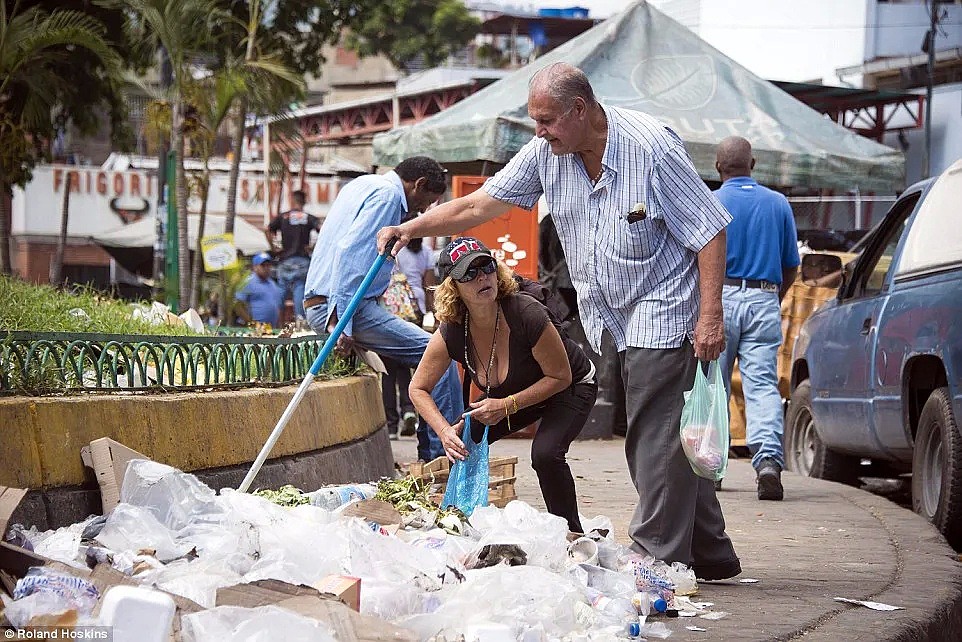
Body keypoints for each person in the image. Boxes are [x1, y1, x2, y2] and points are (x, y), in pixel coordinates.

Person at [377, 62, 741, 579]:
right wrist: (409, 227)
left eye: (546, 120)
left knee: (652, 433)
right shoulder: (547, 155)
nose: (539, 131)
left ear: (581, 110)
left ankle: (657, 555)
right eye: (534, 121)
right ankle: (711, 551)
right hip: (610, 313)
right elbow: (479, 205)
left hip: (666, 304)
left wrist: (710, 316)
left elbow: (708, 229)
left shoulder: (652, 148)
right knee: (667, 434)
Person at [410, 237, 597, 533]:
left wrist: (507, 405)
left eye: (486, 267)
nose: (482, 277)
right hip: (523, 391)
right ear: (453, 289)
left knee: (545, 454)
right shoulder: (453, 330)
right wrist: (445, 432)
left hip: (570, 384)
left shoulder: (526, 313)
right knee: (465, 438)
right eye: (469, 274)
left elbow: (560, 376)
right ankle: (460, 521)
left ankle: (572, 535)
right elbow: (417, 388)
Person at [303, 156, 457, 461]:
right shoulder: (388, 197)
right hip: (342, 307)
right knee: (440, 356)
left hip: (336, 302)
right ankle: (442, 457)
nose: (423, 212)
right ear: (419, 185)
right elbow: (348, 254)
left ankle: (434, 452)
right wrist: (340, 324)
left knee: (433, 355)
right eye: (427, 201)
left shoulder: (365, 183)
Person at [713, 136, 800, 501]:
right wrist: (770, 295)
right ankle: (767, 463)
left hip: (717, 299)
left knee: (711, 384)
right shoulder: (778, 203)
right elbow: (792, 265)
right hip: (764, 298)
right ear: (754, 163)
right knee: (761, 385)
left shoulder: (710, 202)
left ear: (717, 168)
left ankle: (710, 467)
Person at [381, 236, 437, 454]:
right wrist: (433, 313)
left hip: (391, 311)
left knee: (388, 369)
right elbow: (429, 284)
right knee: (407, 362)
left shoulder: (394, 248)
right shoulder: (426, 253)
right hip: (415, 310)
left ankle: (392, 423)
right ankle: (407, 409)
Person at [266, 189, 321, 319]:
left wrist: (273, 247)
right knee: (299, 289)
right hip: (302, 259)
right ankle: (299, 322)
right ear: (304, 201)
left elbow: (267, 229)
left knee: (281, 289)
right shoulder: (308, 217)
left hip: (285, 259)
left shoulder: (283, 216)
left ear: (292, 200)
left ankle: (275, 322)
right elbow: (322, 229)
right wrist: (313, 247)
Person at [235, 253, 285, 327]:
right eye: (263, 265)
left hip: (272, 330)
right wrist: (251, 324)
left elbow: (278, 306)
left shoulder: (272, 284)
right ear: (255, 267)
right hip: (254, 331)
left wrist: (280, 326)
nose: (266, 268)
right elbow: (238, 305)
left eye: (268, 265)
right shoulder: (248, 282)